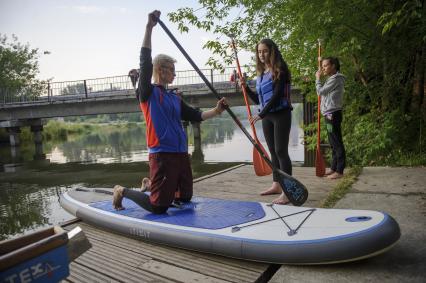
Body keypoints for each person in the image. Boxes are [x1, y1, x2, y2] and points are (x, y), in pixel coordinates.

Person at [113, 10, 227, 213]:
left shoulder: (174, 97)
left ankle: (151, 185)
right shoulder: (147, 93)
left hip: (181, 153)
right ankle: (121, 191)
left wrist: (216, 111)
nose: (174, 74)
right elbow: (145, 62)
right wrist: (149, 28)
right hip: (162, 154)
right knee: (159, 207)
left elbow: (194, 115)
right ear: (161, 70)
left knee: (185, 197)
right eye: (171, 70)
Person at [242, 39, 293, 205]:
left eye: (264, 51)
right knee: (272, 151)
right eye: (259, 52)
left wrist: (261, 114)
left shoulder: (280, 69)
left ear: (272, 51)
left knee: (281, 151)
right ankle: (277, 184)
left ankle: (288, 191)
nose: (261, 55)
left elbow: (278, 95)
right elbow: (259, 99)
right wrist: (246, 88)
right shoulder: (262, 73)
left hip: (281, 114)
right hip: (268, 116)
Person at [315, 57, 346, 179]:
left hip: (333, 114)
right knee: (332, 141)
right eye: (322, 66)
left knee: (337, 141)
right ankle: (333, 168)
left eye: (326, 65)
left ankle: (339, 170)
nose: (323, 68)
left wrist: (317, 79)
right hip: (328, 114)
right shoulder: (330, 79)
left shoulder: (336, 79)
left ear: (333, 66)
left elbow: (320, 92)